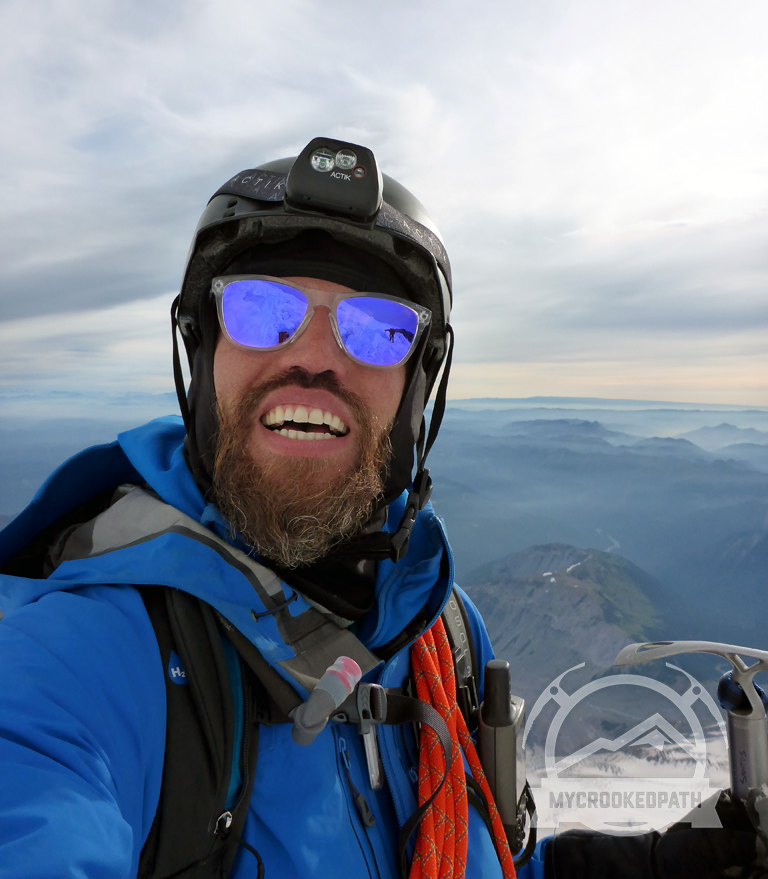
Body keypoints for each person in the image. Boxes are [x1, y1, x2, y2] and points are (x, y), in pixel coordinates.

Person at [0, 137, 761, 879]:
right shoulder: (81, 657)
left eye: (377, 329)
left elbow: (492, 858)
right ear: (203, 350)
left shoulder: (442, 633)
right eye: (261, 309)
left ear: (415, 388)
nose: (314, 356)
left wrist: (655, 864)